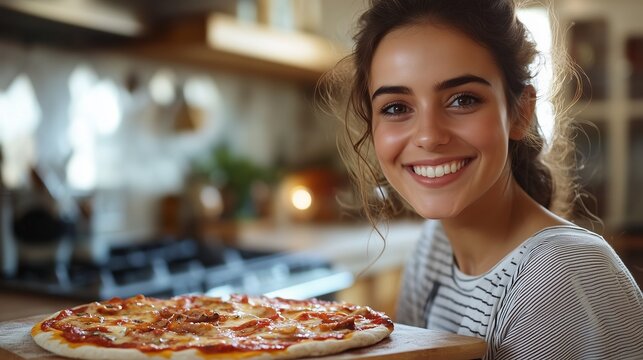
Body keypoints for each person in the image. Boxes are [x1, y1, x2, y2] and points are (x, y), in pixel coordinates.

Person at [322, 0, 643, 358]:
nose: (428, 136)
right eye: (396, 107)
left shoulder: (561, 276)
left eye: (462, 100)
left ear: (520, 113)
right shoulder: (434, 247)